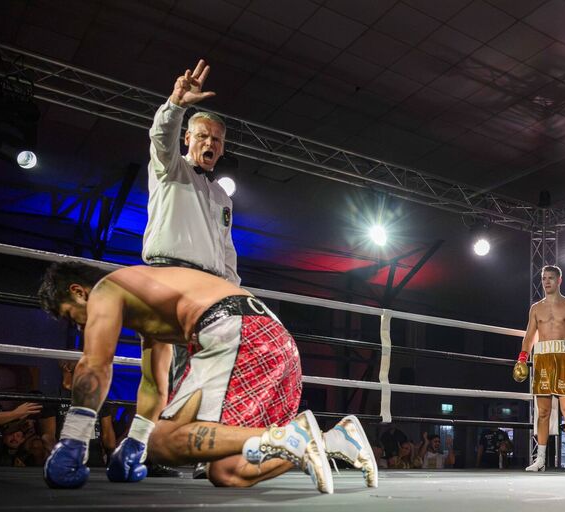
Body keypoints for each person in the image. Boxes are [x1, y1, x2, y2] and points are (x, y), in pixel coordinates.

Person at [37, 262, 376, 492]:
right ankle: (333, 440)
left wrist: (74, 440)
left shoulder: (106, 290)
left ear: (79, 291)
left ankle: (294, 434)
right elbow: (155, 386)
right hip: (272, 339)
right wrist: (135, 443)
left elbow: (95, 364)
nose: (83, 326)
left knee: (163, 442)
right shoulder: (150, 313)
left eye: (73, 317)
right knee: (226, 472)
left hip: (234, 329)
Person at [142, 57, 240, 479]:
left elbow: (225, 250)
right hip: (168, 274)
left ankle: (197, 451)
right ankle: (155, 450)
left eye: (218, 139)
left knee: (207, 367)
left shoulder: (222, 196)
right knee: (161, 368)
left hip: (208, 287)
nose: (212, 143)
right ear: (188, 138)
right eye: (204, 135)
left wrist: (235, 293)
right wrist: (175, 103)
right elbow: (160, 136)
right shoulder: (170, 168)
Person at [513, 265, 565, 473]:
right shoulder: (536, 308)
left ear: (559, 281)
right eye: (544, 278)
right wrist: (522, 357)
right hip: (543, 357)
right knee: (543, 411)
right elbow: (529, 335)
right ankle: (540, 459)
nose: (546, 282)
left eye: (551, 278)